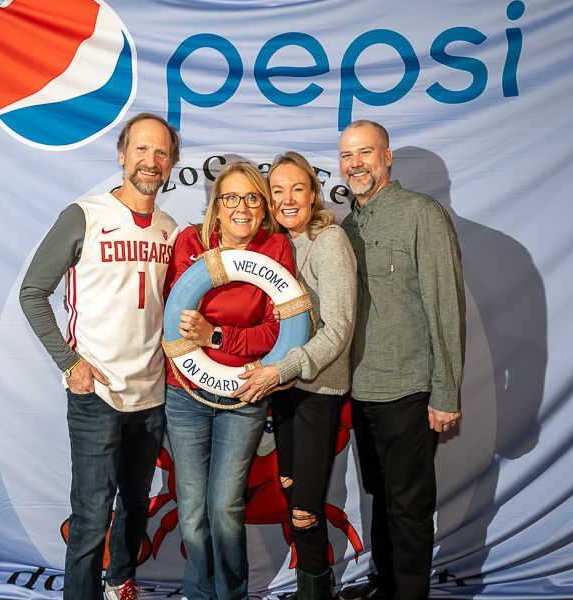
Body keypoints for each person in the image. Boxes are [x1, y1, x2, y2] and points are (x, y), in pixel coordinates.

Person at [19, 113, 181, 600]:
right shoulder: (83, 215)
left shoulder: (172, 230)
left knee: (136, 502)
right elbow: (33, 292)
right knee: (91, 513)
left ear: (171, 163)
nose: (150, 161)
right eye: (141, 150)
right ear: (122, 154)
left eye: (160, 153)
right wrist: (70, 363)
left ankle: (121, 584)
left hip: (152, 394)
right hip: (97, 392)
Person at [337, 120, 465, 600]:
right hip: (361, 388)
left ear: (386, 157)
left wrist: (446, 392)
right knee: (379, 497)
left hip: (410, 389)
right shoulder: (348, 224)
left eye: (365, 153)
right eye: (348, 156)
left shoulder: (421, 214)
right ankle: (386, 584)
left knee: (409, 506)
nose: (356, 164)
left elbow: (445, 305)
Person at [163, 161, 295, 600]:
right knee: (193, 510)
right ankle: (199, 593)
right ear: (216, 207)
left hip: (243, 393)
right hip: (185, 391)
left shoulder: (276, 247)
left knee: (224, 508)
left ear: (263, 208)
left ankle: (231, 595)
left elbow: (278, 333)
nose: (242, 207)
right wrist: (200, 336)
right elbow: (176, 317)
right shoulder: (190, 242)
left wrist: (216, 334)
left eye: (253, 198)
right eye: (231, 198)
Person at [234, 152, 357, 599]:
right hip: (282, 390)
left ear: (313, 194)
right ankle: (312, 588)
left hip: (317, 390)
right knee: (291, 495)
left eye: (297, 189)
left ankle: (314, 594)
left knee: (305, 510)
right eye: (278, 190)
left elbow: (339, 330)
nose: (287, 199)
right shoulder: (275, 245)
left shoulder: (329, 242)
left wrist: (279, 370)